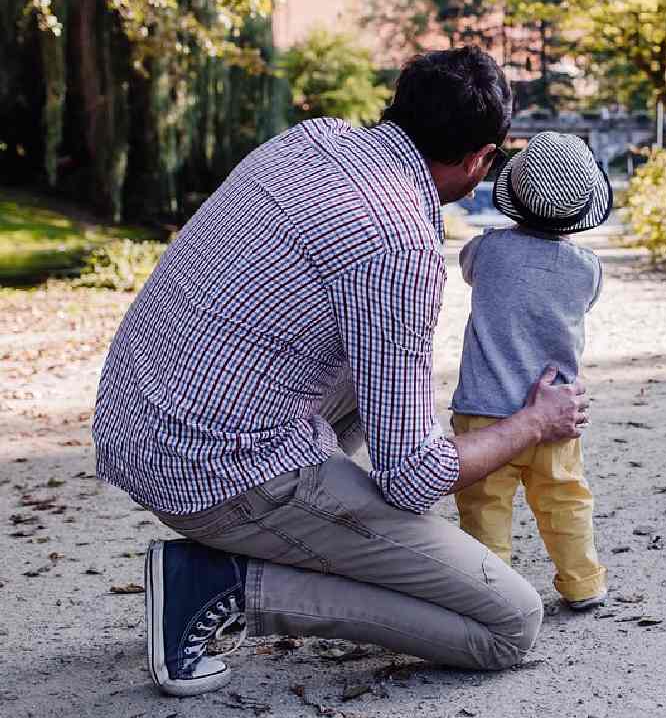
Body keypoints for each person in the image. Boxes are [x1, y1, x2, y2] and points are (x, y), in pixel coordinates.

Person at [91, 47, 590, 698]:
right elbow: (417, 477)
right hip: (211, 466)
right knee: (508, 622)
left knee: (382, 368)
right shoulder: (400, 243)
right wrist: (532, 422)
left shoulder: (315, 136)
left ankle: (307, 529)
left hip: (138, 419)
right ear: (477, 160)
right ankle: (222, 585)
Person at [451, 131, 611, 611]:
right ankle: (583, 583)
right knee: (565, 501)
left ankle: (491, 593)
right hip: (555, 413)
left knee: (484, 510)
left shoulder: (487, 251)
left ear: (513, 197)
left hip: (483, 415)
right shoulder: (587, 268)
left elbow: (465, 268)